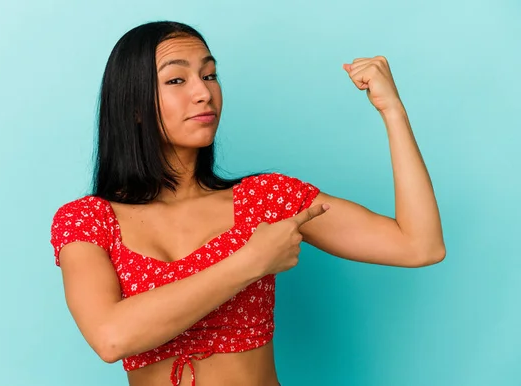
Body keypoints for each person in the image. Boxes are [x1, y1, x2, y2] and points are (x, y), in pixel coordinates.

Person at [49, 21, 446, 386]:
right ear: (133, 107)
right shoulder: (87, 220)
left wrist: (393, 112)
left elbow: (419, 245)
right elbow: (111, 338)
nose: (204, 92)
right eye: (176, 79)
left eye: (209, 75)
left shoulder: (266, 200)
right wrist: (251, 261)